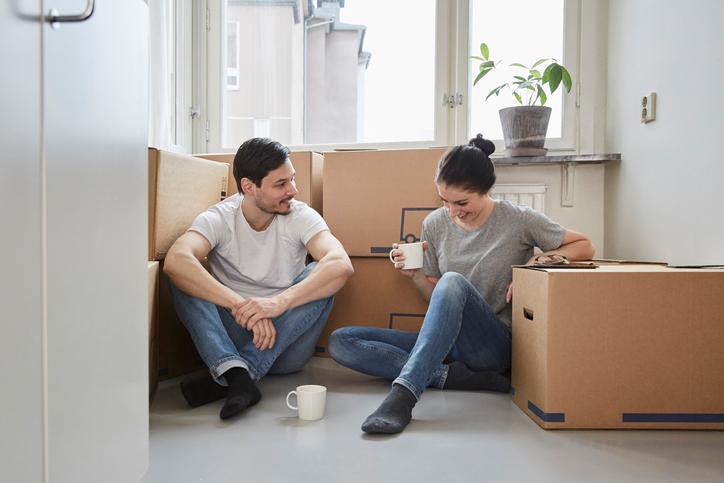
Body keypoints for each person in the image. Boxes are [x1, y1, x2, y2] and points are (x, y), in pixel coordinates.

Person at [327, 134, 595, 434]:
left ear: (486, 190)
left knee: (453, 281)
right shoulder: (435, 224)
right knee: (342, 342)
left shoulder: (519, 219)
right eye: (444, 201)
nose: (453, 211)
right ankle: (450, 377)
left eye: (462, 202)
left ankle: (403, 395)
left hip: (494, 345)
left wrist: (533, 266)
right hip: (446, 344)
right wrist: (415, 275)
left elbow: (584, 245)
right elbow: (437, 299)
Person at [164, 137, 353, 420]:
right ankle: (236, 372)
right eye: (280, 184)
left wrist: (276, 304)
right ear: (249, 187)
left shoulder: (301, 215)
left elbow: (341, 264)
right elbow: (177, 261)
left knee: (322, 274)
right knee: (181, 272)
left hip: (286, 341)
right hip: (232, 335)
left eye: (292, 180)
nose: (293, 190)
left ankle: (239, 376)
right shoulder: (220, 218)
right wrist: (242, 306)